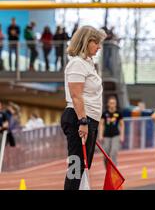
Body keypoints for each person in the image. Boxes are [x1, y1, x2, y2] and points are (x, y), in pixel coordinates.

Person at [60, 25, 106, 190]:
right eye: (96, 43)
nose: (99, 47)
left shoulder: (87, 63)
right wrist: (83, 122)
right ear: (86, 42)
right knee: (76, 166)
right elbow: (76, 95)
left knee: (82, 166)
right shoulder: (77, 64)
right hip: (78, 118)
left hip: (87, 119)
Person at [98, 96, 124, 167]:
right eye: (111, 103)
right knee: (106, 154)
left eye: (114, 103)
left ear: (115, 104)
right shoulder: (105, 113)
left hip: (116, 135)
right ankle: (107, 170)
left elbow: (122, 125)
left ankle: (114, 171)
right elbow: (101, 124)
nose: (112, 104)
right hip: (106, 136)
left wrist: (122, 136)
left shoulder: (119, 113)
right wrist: (100, 135)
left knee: (113, 152)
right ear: (108, 104)